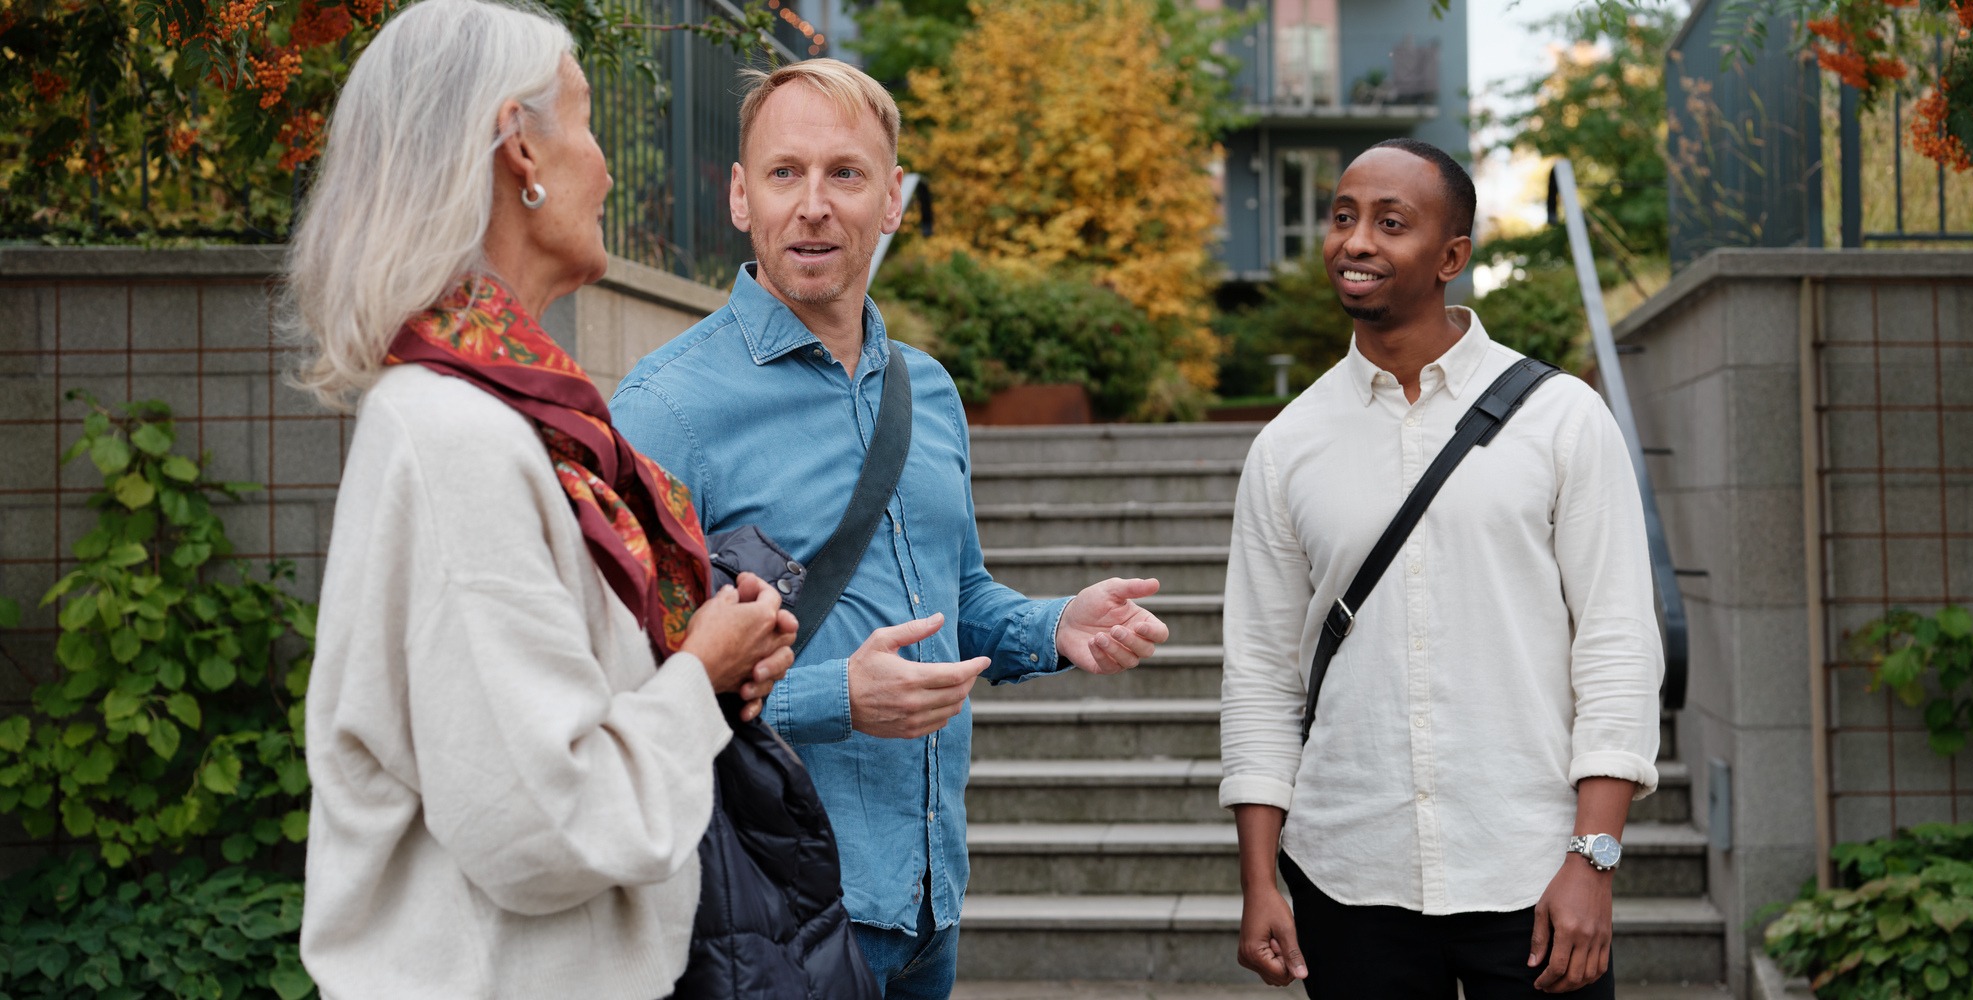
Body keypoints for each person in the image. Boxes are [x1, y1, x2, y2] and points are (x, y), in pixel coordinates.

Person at [608, 59, 1171, 999]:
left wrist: (1057, 624)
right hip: (772, 912)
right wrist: (838, 697)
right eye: (785, 173)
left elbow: (957, 597)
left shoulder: (932, 391)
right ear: (741, 198)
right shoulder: (667, 410)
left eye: (847, 173)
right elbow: (633, 682)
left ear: (894, 200)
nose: (815, 205)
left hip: (925, 904)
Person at [289, 1, 797, 996]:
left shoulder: (506, 417)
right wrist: (698, 678)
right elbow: (543, 820)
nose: (606, 165)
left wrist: (711, 653)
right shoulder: (459, 436)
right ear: (518, 149)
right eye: (588, 120)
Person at [1220, 137, 1664, 999]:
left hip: (1531, 870)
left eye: (1392, 223)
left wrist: (1594, 858)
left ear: (1452, 256)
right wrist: (1258, 881)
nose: (1356, 241)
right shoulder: (1287, 447)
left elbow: (1616, 646)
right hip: (1348, 874)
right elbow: (1262, 677)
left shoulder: (1564, 419)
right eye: (1344, 217)